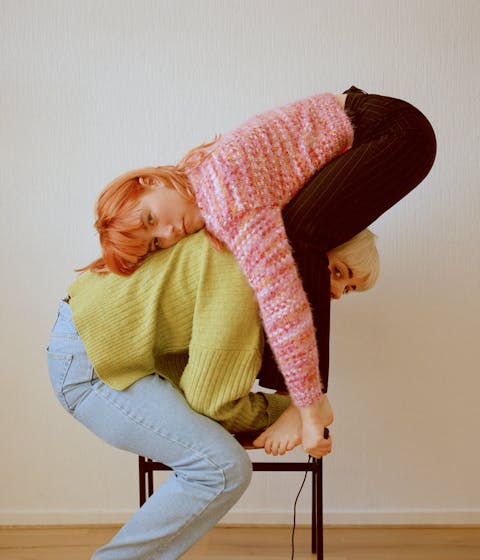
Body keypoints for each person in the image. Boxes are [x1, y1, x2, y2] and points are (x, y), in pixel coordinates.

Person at [82, 86, 436, 458]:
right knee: (295, 237)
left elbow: (283, 301)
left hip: (394, 132)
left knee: (298, 243)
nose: (168, 233)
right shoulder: (204, 182)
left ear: (151, 182)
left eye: (150, 219)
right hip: (371, 124)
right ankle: (301, 399)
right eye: (155, 243)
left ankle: (302, 403)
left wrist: (308, 404)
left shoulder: (223, 195)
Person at [47, 227, 377, 559]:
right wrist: (292, 411)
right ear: (309, 257)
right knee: (222, 469)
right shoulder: (243, 276)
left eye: (349, 289)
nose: (336, 293)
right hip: (92, 364)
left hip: (109, 351)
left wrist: (301, 410)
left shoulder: (253, 249)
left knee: (222, 463)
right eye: (337, 272)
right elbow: (212, 403)